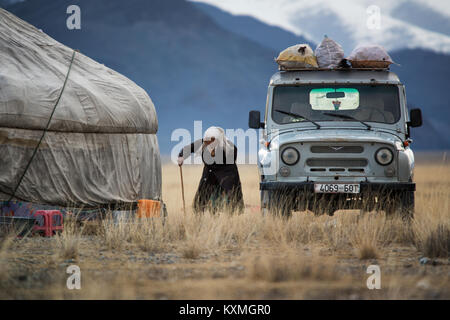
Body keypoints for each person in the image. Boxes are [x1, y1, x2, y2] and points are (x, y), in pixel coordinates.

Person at [177, 126, 244, 214]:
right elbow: (189, 148)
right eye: (207, 141)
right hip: (209, 174)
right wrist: (181, 156)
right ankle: (199, 218)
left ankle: (231, 220)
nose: (209, 144)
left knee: (232, 202)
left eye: (212, 141)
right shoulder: (203, 143)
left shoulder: (228, 147)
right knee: (200, 201)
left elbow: (234, 154)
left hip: (227, 175)